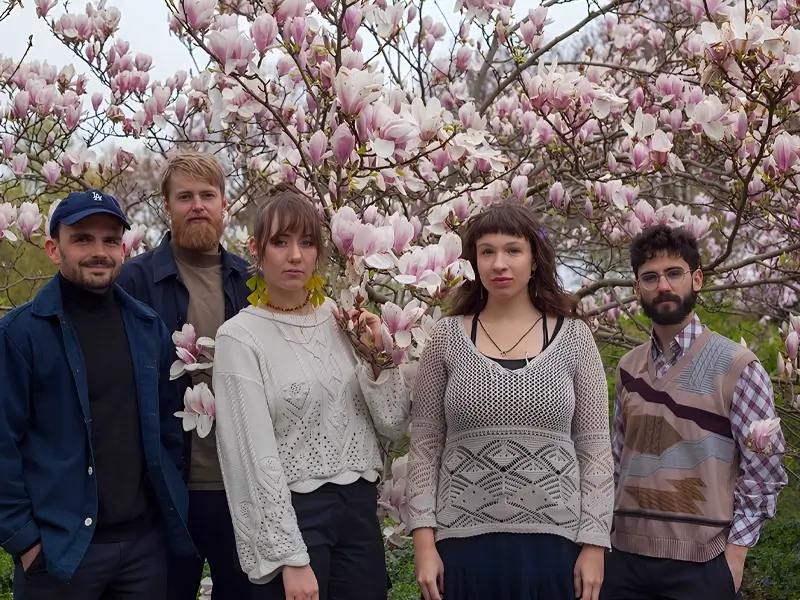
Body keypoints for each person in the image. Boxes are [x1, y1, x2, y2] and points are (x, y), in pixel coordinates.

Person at [211, 183, 412, 600]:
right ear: (256, 250)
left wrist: (379, 357)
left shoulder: (343, 321)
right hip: (296, 515)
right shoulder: (240, 337)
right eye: (280, 242)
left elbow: (392, 425)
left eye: (306, 242)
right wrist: (291, 556)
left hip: (358, 510)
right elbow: (250, 456)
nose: (295, 255)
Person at [406, 202, 614, 600]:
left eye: (513, 250)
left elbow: (595, 451)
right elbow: (425, 446)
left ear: (534, 261)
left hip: (557, 546)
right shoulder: (446, 338)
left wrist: (593, 544)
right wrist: (424, 543)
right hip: (460, 547)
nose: (499, 263)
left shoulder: (574, 337)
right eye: (486, 252)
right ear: (472, 262)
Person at [0, 189, 196, 600]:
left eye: (109, 240)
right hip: (59, 557)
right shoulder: (21, 335)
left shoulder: (148, 329)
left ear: (123, 249)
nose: (99, 251)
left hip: (143, 552)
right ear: (54, 249)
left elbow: (168, 431)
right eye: (83, 239)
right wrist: (24, 540)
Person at [600, 225, 788, 600]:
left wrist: (734, 557)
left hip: (703, 565)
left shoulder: (737, 367)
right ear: (637, 289)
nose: (663, 286)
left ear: (696, 279)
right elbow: (617, 461)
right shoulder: (628, 368)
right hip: (623, 562)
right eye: (650, 277)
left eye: (674, 273)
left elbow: (764, 472)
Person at [116, 151, 253, 599]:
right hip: (167, 489)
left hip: (240, 484)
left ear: (224, 204)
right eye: (185, 196)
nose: (197, 205)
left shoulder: (251, 282)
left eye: (207, 195)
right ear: (167, 206)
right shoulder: (133, 281)